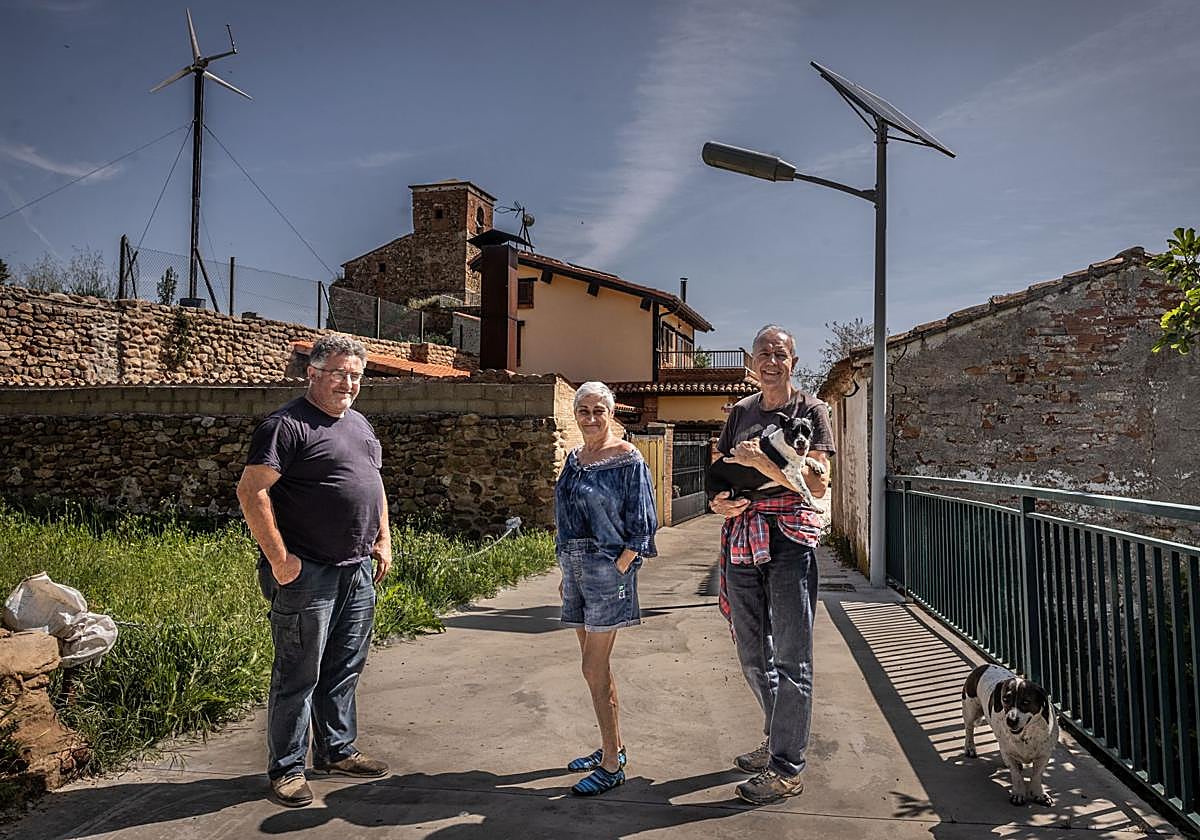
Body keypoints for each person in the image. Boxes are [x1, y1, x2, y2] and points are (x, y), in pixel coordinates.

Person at [236, 334, 392, 808]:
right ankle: (286, 769)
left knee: (344, 668)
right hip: (309, 575)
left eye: (356, 376)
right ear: (313, 373)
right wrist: (282, 561)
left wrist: (383, 539)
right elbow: (251, 491)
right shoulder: (285, 426)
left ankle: (337, 750)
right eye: (340, 373)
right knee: (297, 673)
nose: (349, 383)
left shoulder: (360, 424)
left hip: (356, 570)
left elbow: (375, 483)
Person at [710, 324, 834, 805]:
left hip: (789, 543)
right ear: (752, 363)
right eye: (763, 353)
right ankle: (777, 737)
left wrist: (764, 465)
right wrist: (720, 504)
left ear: (793, 363)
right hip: (743, 537)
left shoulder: (812, 411)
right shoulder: (740, 412)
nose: (770, 361)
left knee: (791, 658)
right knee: (751, 653)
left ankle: (786, 769)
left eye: (779, 354)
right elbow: (723, 471)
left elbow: (818, 485)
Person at [555, 381, 658, 796]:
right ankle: (610, 747)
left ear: (612, 414)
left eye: (600, 410)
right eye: (584, 410)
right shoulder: (574, 459)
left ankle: (613, 766)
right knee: (593, 667)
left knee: (593, 668)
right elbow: (564, 515)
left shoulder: (628, 458)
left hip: (607, 570)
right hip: (575, 568)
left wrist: (619, 567)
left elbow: (643, 523)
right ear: (575, 415)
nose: (592, 418)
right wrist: (566, 568)